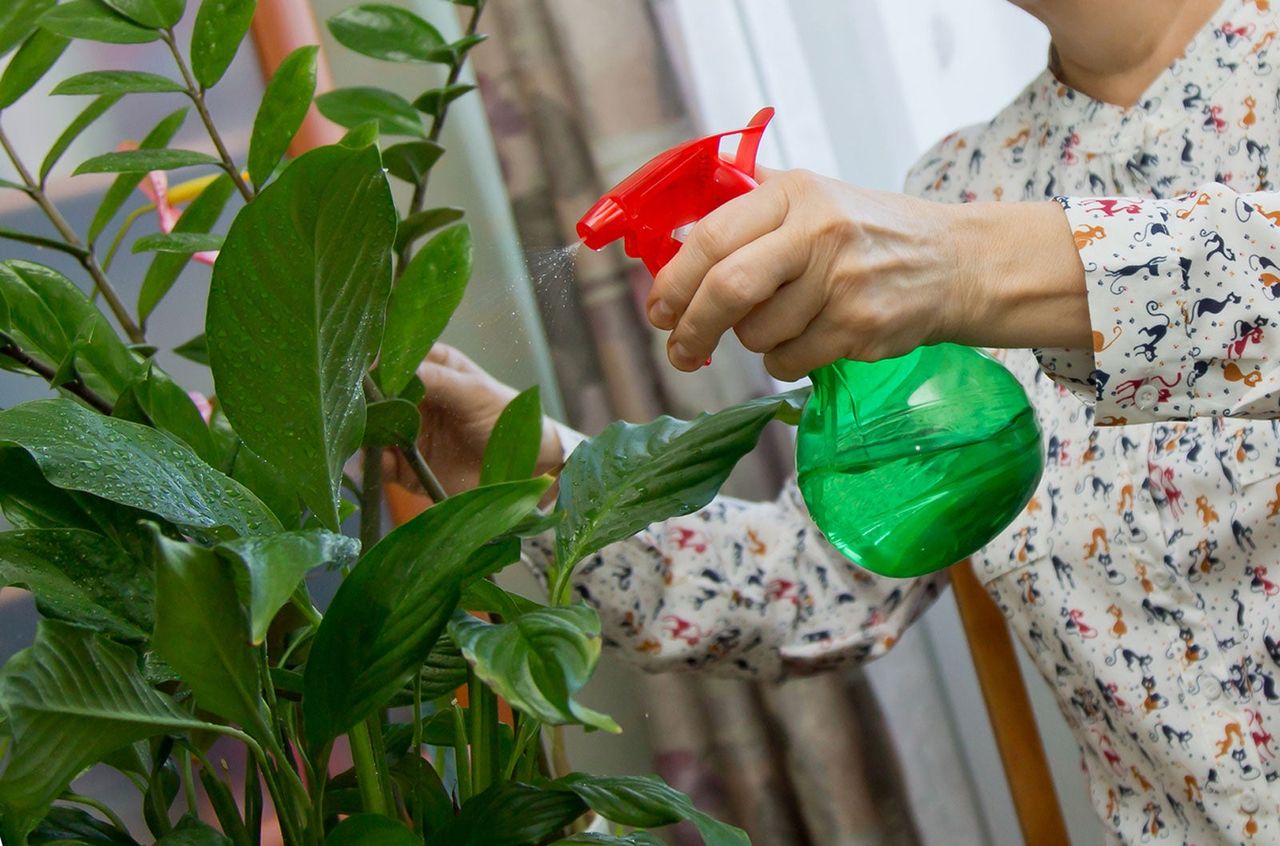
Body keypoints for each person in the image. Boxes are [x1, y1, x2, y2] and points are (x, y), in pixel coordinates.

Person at [394, 1, 1280, 842]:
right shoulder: (964, 185)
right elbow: (820, 586)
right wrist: (531, 469)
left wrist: (967, 269)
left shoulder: (958, 228)